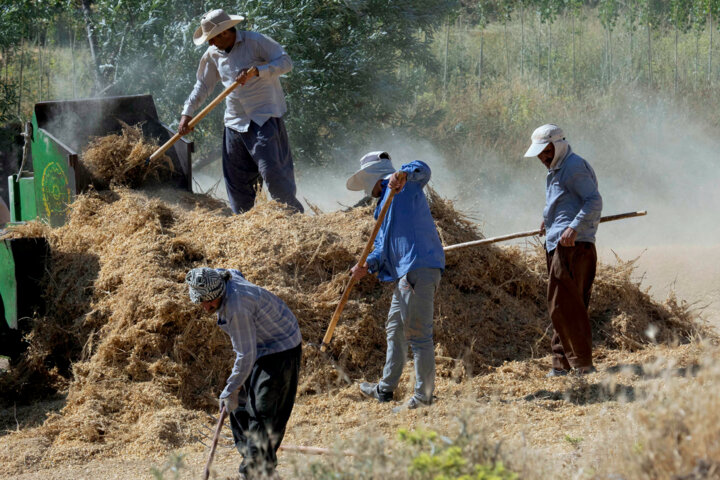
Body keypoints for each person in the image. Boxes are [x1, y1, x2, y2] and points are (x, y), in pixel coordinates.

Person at [179, 9, 304, 214]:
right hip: (235, 121)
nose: (210, 43)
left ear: (225, 33)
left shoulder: (255, 42)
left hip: (264, 117)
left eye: (212, 39)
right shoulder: (212, 54)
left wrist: (257, 71)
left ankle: (294, 216)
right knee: (237, 180)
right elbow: (202, 86)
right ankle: (245, 222)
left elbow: (286, 62)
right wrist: (187, 113)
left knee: (273, 173)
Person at [346, 151, 445, 409]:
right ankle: (385, 389)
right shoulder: (383, 207)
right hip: (405, 274)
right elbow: (380, 247)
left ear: (375, 181)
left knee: (419, 336)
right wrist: (367, 264)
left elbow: (423, 168)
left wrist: (403, 174)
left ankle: (423, 398)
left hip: (418, 267)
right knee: (394, 328)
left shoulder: (404, 187)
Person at [186, 267, 302, 479]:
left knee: (262, 410)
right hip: (260, 345)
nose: (204, 307)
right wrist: (233, 392)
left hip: (281, 345)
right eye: (200, 301)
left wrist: (230, 388)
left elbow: (245, 355)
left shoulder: (237, 308)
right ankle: (255, 461)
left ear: (218, 294)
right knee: (238, 407)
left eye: (207, 301)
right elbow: (234, 271)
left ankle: (256, 472)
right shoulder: (222, 278)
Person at [523, 124, 603, 377]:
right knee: (564, 304)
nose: (542, 158)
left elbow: (594, 200)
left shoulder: (574, 166)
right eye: (539, 153)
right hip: (559, 241)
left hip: (573, 246)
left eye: (546, 152)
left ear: (558, 146)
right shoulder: (556, 169)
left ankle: (582, 365)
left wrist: (573, 227)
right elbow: (564, 202)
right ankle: (562, 363)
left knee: (564, 305)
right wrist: (550, 220)